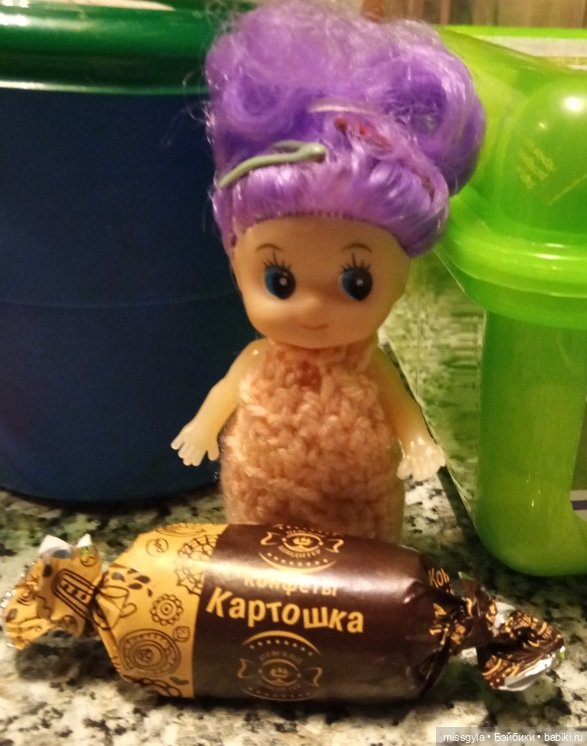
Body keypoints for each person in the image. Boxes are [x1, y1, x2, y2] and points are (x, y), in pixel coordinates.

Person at [172, 0, 484, 540]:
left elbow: (401, 407)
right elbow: (228, 390)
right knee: (264, 561)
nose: (313, 309)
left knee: (363, 563)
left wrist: (417, 442)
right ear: (236, 263)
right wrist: (203, 428)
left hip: (359, 508)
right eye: (280, 282)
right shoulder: (259, 359)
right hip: (263, 500)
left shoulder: (367, 365)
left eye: (355, 284)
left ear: (401, 276)